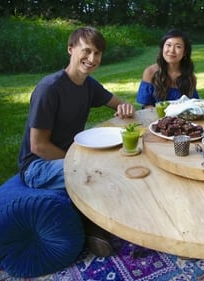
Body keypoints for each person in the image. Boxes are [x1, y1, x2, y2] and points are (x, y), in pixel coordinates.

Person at [18, 26, 135, 257]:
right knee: (101, 173)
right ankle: (94, 228)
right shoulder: (49, 89)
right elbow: (38, 146)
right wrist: (79, 160)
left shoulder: (89, 85)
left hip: (70, 153)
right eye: (86, 51)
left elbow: (118, 103)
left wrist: (125, 107)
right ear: (70, 49)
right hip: (37, 166)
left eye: (97, 54)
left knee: (117, 161)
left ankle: (110, 218)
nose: (92, 59)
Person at [136, 28, 198, 108]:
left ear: (185, 52)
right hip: (155, 118)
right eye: (168, 45)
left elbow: (194, 104)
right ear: (162, 48)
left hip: (182, 119)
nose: (172, 50)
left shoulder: (189, 76)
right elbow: (146, 105)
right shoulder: (150, 72)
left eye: (178, 47)